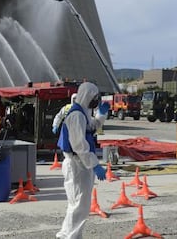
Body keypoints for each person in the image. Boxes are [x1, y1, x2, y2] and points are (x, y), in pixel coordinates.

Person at [55, 82, 110, 239]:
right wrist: (95, 165)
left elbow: (92, 127)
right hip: (76, 163)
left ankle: (70, 235)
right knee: (79, 205)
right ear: (87, 96)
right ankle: (69, 236)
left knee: (78, 204)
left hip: (79, 163)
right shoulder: (76, 115)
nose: (96, 100)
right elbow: (79, 146)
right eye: (94, 97)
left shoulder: (83, 113)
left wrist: (101, 114)